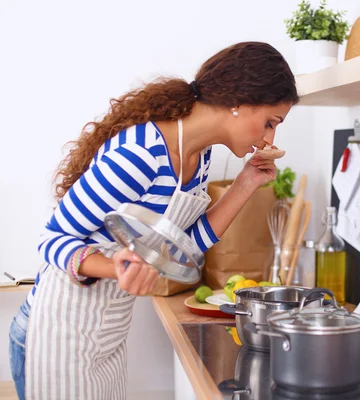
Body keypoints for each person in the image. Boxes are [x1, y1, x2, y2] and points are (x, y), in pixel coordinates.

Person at [8, 41, 299, 400]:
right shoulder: (142, 155)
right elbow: (52, 239)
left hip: (106, 334)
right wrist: (118, 268)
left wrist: (246, 183)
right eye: (270, 122)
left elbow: (182, 247)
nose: (270, 138)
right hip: (57, 332)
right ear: (238, 101)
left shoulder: (199, 157)